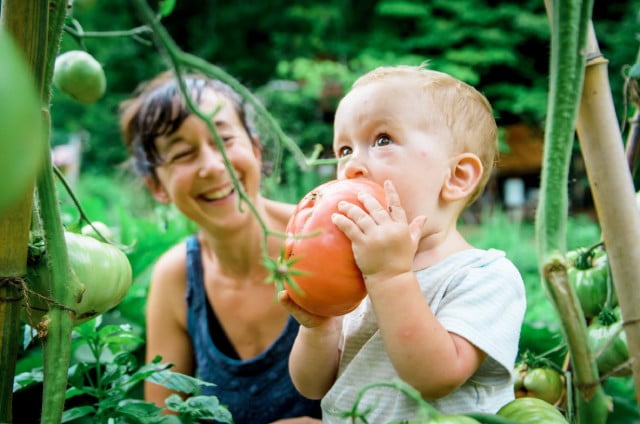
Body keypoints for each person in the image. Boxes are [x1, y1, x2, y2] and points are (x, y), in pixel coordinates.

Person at [278, 65, 526, 422]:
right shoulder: (357, 273)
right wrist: (321, 325)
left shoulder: (483, 276)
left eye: (382, 140)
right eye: (345, 149)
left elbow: (435, 377)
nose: (351, 167)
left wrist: (390, 277)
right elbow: (313, 386)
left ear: (455, 177)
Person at [119, 71, 322, 423]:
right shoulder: (177, 279)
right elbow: (162, 419)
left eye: (224, 139)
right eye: (183, 153)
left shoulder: (321, 238)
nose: (212, 167)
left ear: (255, 150)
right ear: (157, 187)